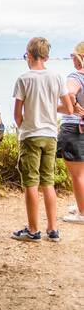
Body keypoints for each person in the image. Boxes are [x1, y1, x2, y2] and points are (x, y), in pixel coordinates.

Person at [12, 37, 73, 242]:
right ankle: (53, 229)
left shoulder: (24, 79)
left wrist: (24, 126)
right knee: (48, 182)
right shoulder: (56, 77)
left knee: (31, 183)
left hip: (30, 135)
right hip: (50, 135)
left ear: (29, 55)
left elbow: (17, 114)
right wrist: (48, 107)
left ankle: (33, 230)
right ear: (45, 56)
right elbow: (68, 108)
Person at [57, 42, 84, 223]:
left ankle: (82, 213)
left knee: (77, 174)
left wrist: (72, 107)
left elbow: (70, 94)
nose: (72, 58)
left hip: (74, 128)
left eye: (73, 55)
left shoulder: (75, 76)